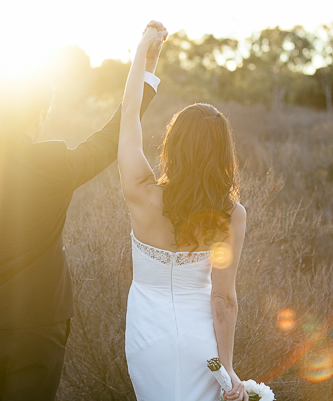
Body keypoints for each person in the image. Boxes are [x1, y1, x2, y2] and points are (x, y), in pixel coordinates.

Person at [0, 20, 166, 401]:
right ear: (40, 116)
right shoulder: (55, 162)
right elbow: (110, 136)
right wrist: (147, 69)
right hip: (43, 320)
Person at [118, 26, 248, 401]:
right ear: (224, 152)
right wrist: (228, 369)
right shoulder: (231, 214)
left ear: (173, 145)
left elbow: (128, 120)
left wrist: (143, 57)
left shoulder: (143, 194)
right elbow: (223, 301)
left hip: (147, 342)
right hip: (202, 349)